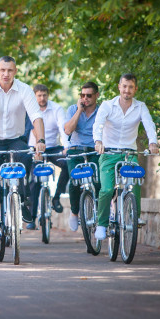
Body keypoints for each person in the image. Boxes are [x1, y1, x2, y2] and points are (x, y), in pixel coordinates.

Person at [0, 56, 46, 257]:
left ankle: (21, 199)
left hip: (15, 139)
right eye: (2, 70)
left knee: (26, 156)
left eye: (10, 70)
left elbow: (36, 116)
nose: (6, 74)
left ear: (15, 72)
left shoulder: (24, 89)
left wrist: (40, 140)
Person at [93, 74, 160, 241]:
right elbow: (98, 124)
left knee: (134, 181)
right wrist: (98, 141)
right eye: (124, 86)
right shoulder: (108, 105)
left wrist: (153, 143)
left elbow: (149, 125)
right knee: (107, 190)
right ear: (119, 87)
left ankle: (134, 215)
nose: (127, 90)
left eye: (130, 87)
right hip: (108, 153)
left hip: (129, 153)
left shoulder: (140, 107)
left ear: (135, 89)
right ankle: (102, 223)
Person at [26, 84, 69, 229]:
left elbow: (62, 127)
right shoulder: (29, 108)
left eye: (44, 95)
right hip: (35, 148)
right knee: (34, 180)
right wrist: (37, 148)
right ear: (34, 96)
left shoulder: (56, 108)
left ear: (48, 95)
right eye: (39, 95)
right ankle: (31, 217)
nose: (42, 98)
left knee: (67, 165)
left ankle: (56, 198)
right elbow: (31, 129)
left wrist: (66, 147)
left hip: (52, 148)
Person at [64, 81, 102, 232]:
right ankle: (74, 213)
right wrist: (79, 111)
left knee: (99, 181)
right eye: (82, 95)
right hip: (76, 150)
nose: (85, 98)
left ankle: (100, 213)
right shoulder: (73, 109)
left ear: (96, 96)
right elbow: (67, 130)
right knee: (74, 182)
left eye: (89, 95)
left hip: (94, 150)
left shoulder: (101, 111)